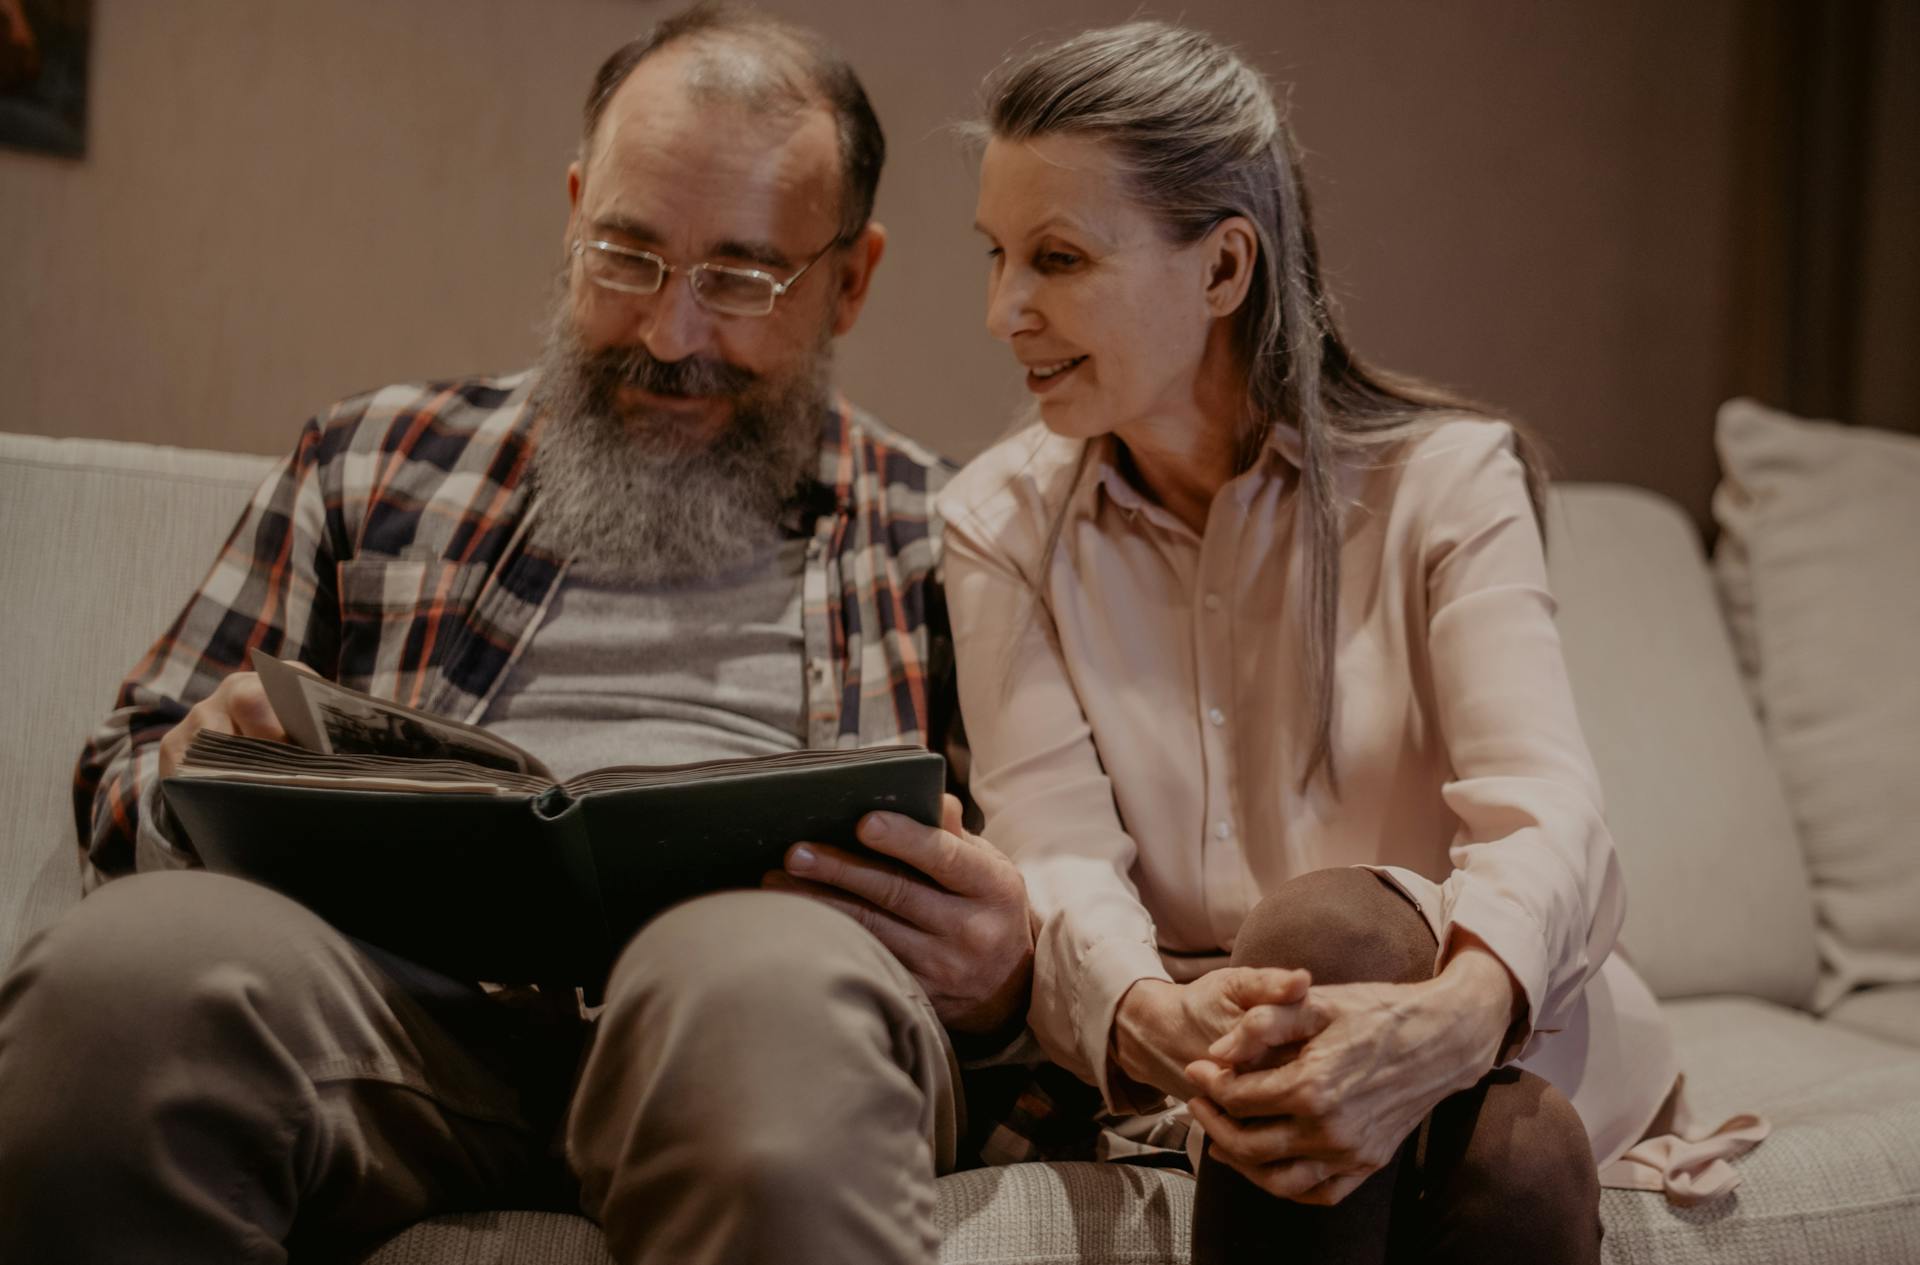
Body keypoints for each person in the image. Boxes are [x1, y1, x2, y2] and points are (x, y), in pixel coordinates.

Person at [0, 8, 1034, 1264]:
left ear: (850, 281)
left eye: (742, 278)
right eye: (629, 255)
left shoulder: (959, 537)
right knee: (122, 985)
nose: (671, 333)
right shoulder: (375, 459)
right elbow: (127, 766)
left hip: (763, 1019)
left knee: (763, 999)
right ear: (571, 212)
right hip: (397, 1014)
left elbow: (1065, 895)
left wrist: (1003, 977)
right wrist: (198, 774)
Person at [940, 20, 1764, 1264]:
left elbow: (1544, 807)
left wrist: (1457, 1013)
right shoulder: (997, 525)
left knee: (1331, 925)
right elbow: (1052, 850)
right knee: (1514, 1153)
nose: (1005, 310)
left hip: (1488, 1004)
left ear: (1224, 270)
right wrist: (1161, 1015)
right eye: (999, 255)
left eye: (1057, 258)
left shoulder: (1445, 479)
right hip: (1219, 1052)